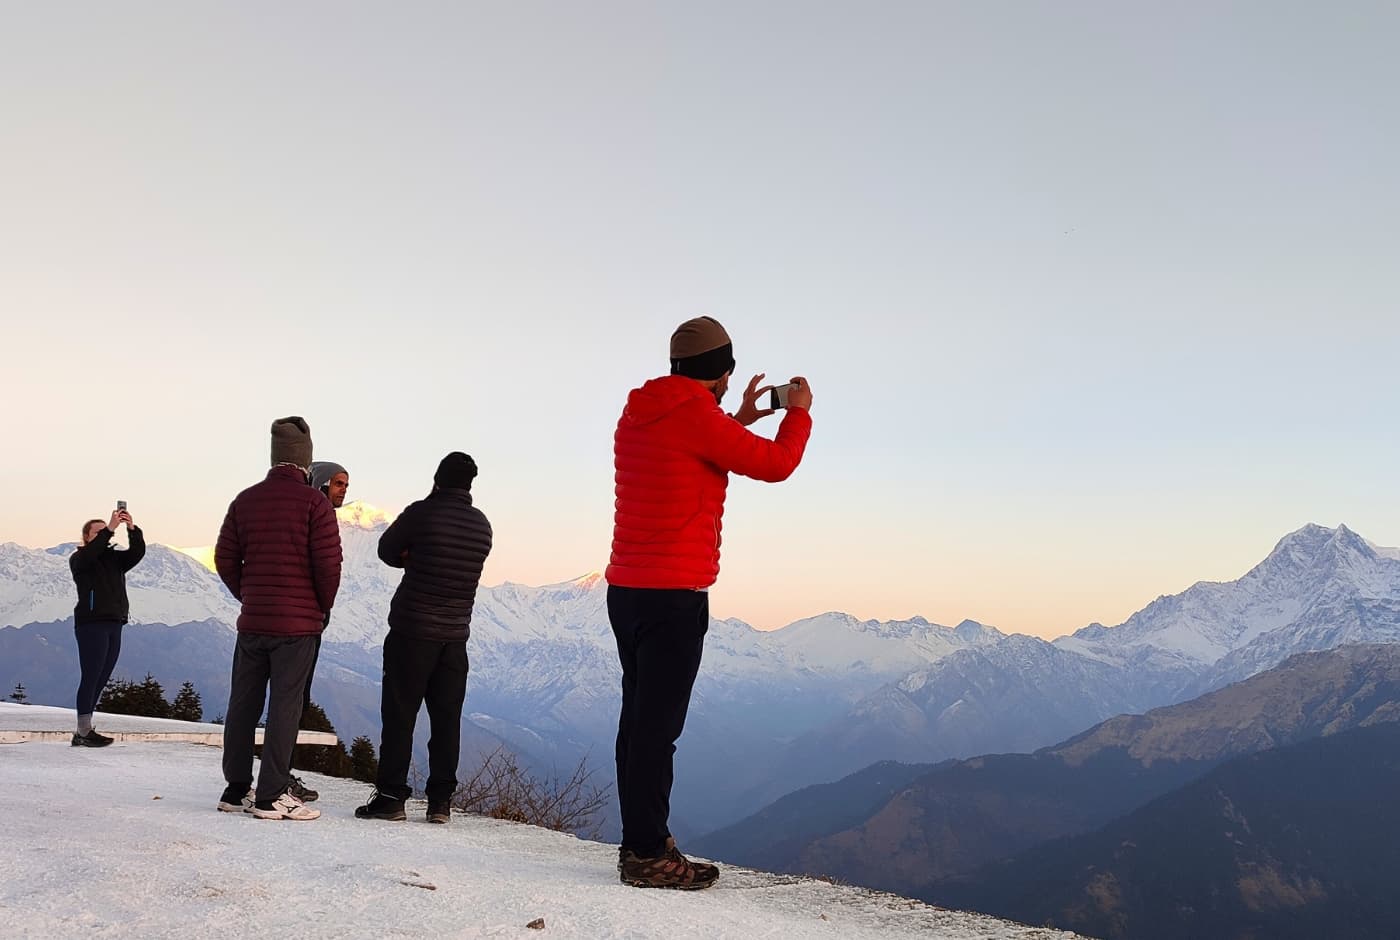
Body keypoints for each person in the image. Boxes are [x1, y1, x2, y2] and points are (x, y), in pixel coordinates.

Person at [606, 316, 813, 889]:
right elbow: (776, 464)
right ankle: (647, 854)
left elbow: (693, 448)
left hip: (628, 591)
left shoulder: (640, 413)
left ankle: (642, 838)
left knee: (637, 723)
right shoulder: (697, 419)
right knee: (657, 731)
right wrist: (797, 412)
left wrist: (737, 419)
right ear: (722, 372)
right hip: (674, 595)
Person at [214, 417, 342, 820]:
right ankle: (271, 795)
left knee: (243, 705)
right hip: (297, 627)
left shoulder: (245, 500)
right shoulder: (315, 504)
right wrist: (319, 607)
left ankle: (236, 790)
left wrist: (249, 595)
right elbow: (328, 567)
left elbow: (224, 558)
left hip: (253, 623)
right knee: (285, 707)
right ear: (305, 461)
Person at [356, 452, 492, 825]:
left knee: (400, 716)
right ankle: (440, 803)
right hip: (455, 638)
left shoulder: (421, 513)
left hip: (412, 632)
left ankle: (390, 798)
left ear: (437, 479)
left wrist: (413, 557)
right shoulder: (482, 526)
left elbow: (386, 550)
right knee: (447, 720)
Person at [283, 459, 352, 803]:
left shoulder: (296, 515)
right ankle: (279, 777)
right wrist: (322, 608)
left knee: (287, 699)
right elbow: (324, 571)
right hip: (304, 622)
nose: (344, 491)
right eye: (338, 484)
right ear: (321, 484)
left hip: (289, 619)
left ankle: (264, 776)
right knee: (293, 700)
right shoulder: (316, 519)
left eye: (346, 485)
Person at [68, 506, 146, 747]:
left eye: (106, 531)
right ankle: (83, 731)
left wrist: (132, 529)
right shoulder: (80, 559)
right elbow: (92, 553)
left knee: (102, 676)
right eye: (98, 532)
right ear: (86, 537)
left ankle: (84, 729)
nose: (105, 534)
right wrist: (110, 528)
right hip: (91, 623)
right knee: (91, 676)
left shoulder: (114, 559)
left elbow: (137, 553)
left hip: (115, 622)